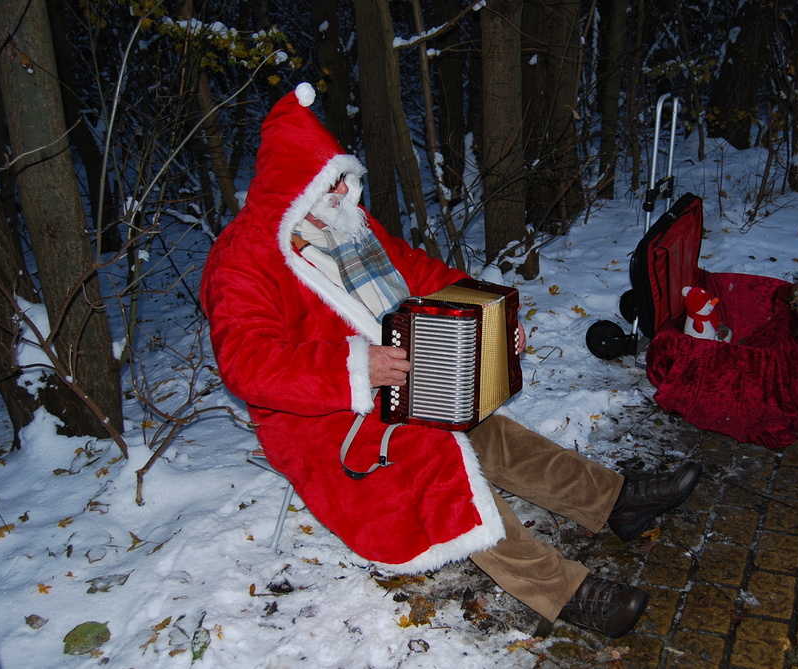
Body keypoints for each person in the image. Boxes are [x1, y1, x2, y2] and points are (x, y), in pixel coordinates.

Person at [200, 83, 702, 638]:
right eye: (334, 183)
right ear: (297, 188)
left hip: (403, 381)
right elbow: (248, 362)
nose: (347, 193)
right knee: (441, 464)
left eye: (347, 180)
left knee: (489, 432)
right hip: (324, 418)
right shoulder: (241, 260)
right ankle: (564, 592)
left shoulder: (351, 228)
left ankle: (617, 501)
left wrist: (492, 319)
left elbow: (422, 273)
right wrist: (356, 368)